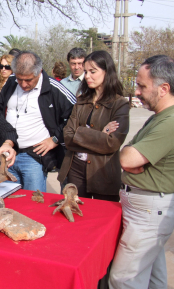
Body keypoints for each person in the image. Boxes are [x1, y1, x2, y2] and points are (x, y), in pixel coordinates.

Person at [109, 55, 174, 289]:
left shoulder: (171, 121)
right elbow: (128, 151)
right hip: (148, 208)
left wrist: (131, 158)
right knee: (152, 274)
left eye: (142, 86)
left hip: (149, 211)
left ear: (164, 89)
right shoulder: (160, 116)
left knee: (125, 280)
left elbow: (127, 159)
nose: (137, 91)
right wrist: (131, 156)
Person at [0, 51, 76, 192]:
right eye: (20, 79)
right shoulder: (11, 81)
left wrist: (55, 139)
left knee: (33, 203)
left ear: (39, 72)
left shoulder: (54, 88)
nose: (23, 84)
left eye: (28, 80)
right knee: (8, 200)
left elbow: (75, 117)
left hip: (34, 158)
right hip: (8, 154)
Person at [57, 50, 130, 201]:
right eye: (86, 72)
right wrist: (99, 135)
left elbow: (112, 142)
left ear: (107, 71)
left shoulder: (119, 103)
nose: (87, 76)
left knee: (102, 218)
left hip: (103, 172)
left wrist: (80, 133)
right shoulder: (81, 100)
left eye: (92, 71)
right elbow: (68, 135)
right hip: (75, 169)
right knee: (74, 215)